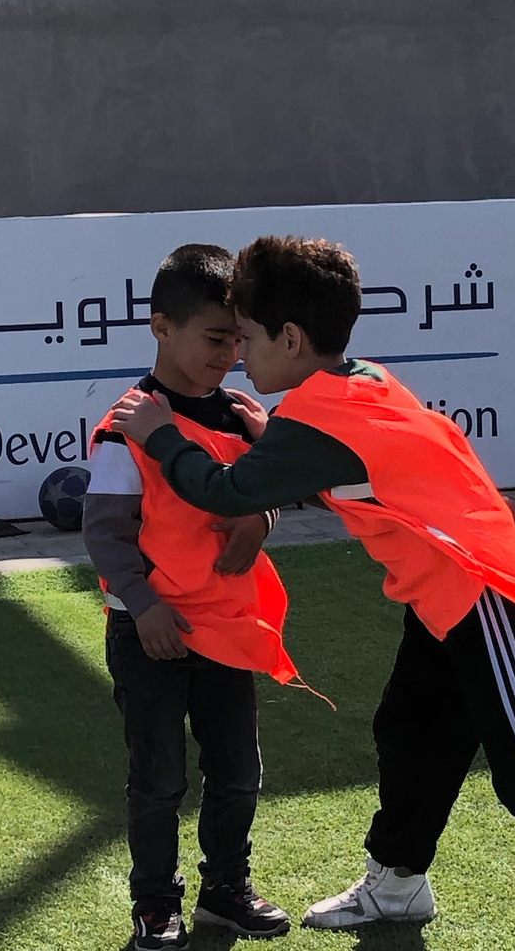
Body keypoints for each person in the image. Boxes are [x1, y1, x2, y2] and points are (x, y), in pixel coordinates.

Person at [109, 236, 515, 950]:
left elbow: (221, 490)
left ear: (290, 338)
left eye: (248, 337)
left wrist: (162, 433)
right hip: (438, 596)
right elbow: (361, 461)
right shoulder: (363, 379)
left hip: (480, 591)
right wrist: (272, 436)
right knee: (408, 731)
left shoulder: (312, 419)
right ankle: (399, 883)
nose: (239, 356)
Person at [84, 243, 295, 950]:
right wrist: (142, 605)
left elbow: (266, 493)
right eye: (215, 337)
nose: (230, 354)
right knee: (159, 780)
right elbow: (106, 533)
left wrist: (263, 519)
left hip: (226, 628)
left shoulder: (243, 416)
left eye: (238, 339)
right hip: (150, 632)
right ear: (161, 327)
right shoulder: (130, 422)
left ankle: (226, 890)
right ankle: (154, 905)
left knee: (238, 772)